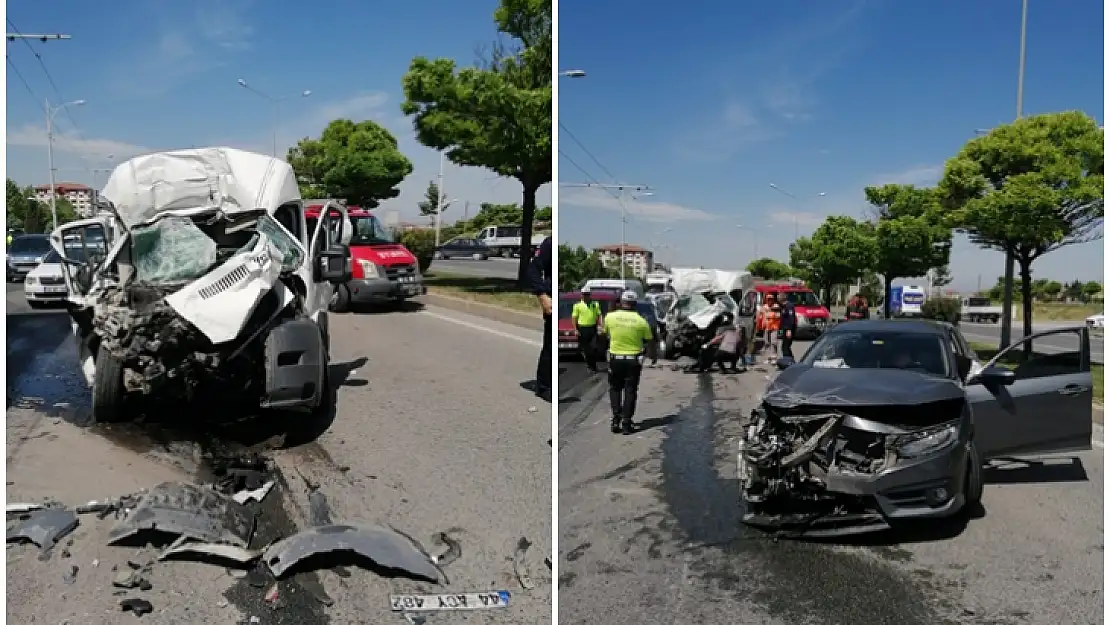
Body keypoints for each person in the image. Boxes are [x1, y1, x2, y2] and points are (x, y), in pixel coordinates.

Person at [599, 290, 654, 435]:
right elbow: (649, 341)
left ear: (621, 302)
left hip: (615, 359)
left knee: (615, 388)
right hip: (633, 361)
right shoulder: (641, 321)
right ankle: (626, 422)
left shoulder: (610, 317)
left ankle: (616, 418)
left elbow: (603, 335)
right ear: (635, 304)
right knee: (630, 391)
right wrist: (651, 356)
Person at [527, 236, 552, 402]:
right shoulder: (550, 243)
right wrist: (542, 295)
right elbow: (532, 270)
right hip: (551, 301)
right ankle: (544, 387)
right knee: (550, 347)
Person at [572, 287, 603, 372]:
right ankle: (590, 366)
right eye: (584, 294)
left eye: (587, 294)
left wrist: (600, 325)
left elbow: (599, 315)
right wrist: (575, 329)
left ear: (590, 295)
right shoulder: (577, 305)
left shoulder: (595, 304)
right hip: (582, 329)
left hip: (592, 328)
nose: (586, 296)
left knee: (594, 348)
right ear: (581, 295)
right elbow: (574, 318)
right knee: (587, 350)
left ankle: (593, 364)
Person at [778, 291, 797, 360]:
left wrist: (789, 330)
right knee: (785, 347)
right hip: (785, 329)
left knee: (785, 347)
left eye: (779, 297)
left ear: (782, 298)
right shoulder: (783, 306)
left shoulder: (789, 306)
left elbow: (791, 318)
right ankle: (789, 360)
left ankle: (788, 361)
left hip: (789, 329)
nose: (778, 299)